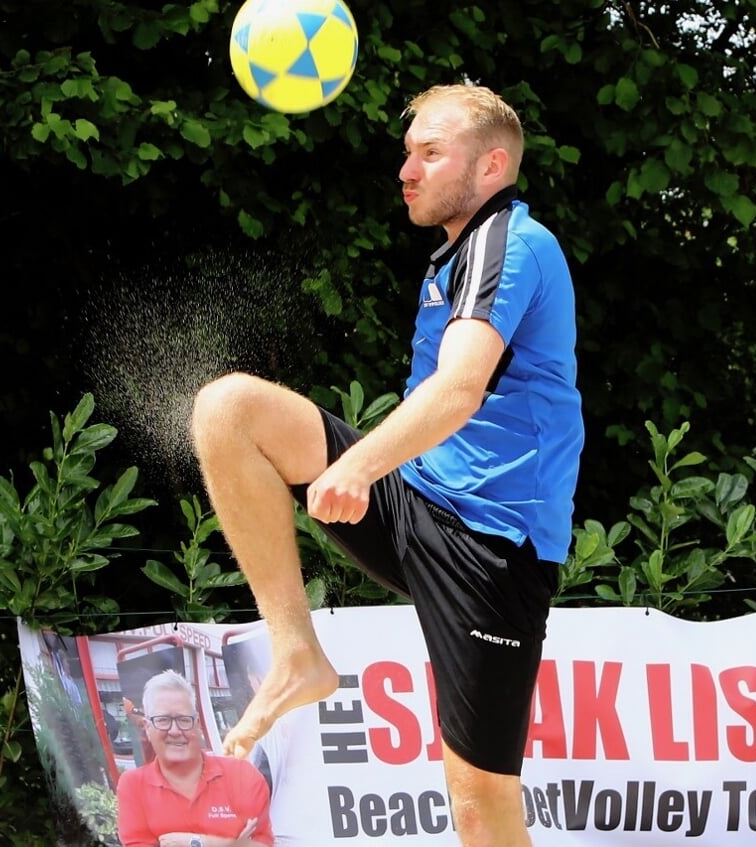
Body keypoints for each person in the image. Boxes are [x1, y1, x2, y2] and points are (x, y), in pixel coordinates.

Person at [188, 82, 583, 847]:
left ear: (494, 165)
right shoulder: (459, 252)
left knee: (480, 806)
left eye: (430, 153)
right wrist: (373, 471)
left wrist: (360, 465)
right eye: (408, 152)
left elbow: (461, 388)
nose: (407, 170)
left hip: (491, 547)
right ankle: (297, 651)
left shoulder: (514, 243)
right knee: (227, 408)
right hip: (416, 501)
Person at [115, 669, 275, 847]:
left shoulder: (243, 776)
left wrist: (200, 842)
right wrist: (234, 843)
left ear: (198, 725)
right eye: (163, 720)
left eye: (184, 719)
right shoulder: (133, 785)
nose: (175, 731)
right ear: (147, 727)